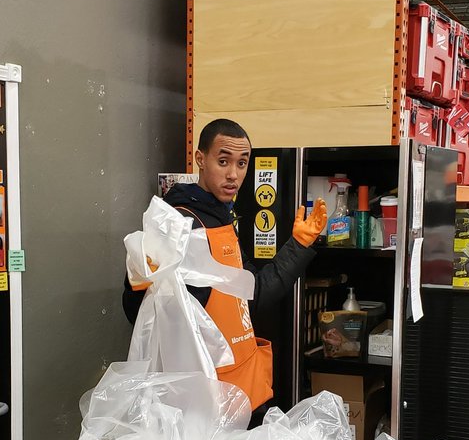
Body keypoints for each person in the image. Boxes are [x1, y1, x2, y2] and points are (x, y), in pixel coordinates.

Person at [123, 119, 326, 422]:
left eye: (242, 163)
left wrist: (299, 244)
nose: (233, 174)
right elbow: (142, 314)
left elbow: (255, 291)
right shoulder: (181, 226)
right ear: (200, 160)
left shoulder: (219, 218)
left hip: (243, 393)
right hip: (208, 406)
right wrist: (140, 280)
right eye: (223, 161)